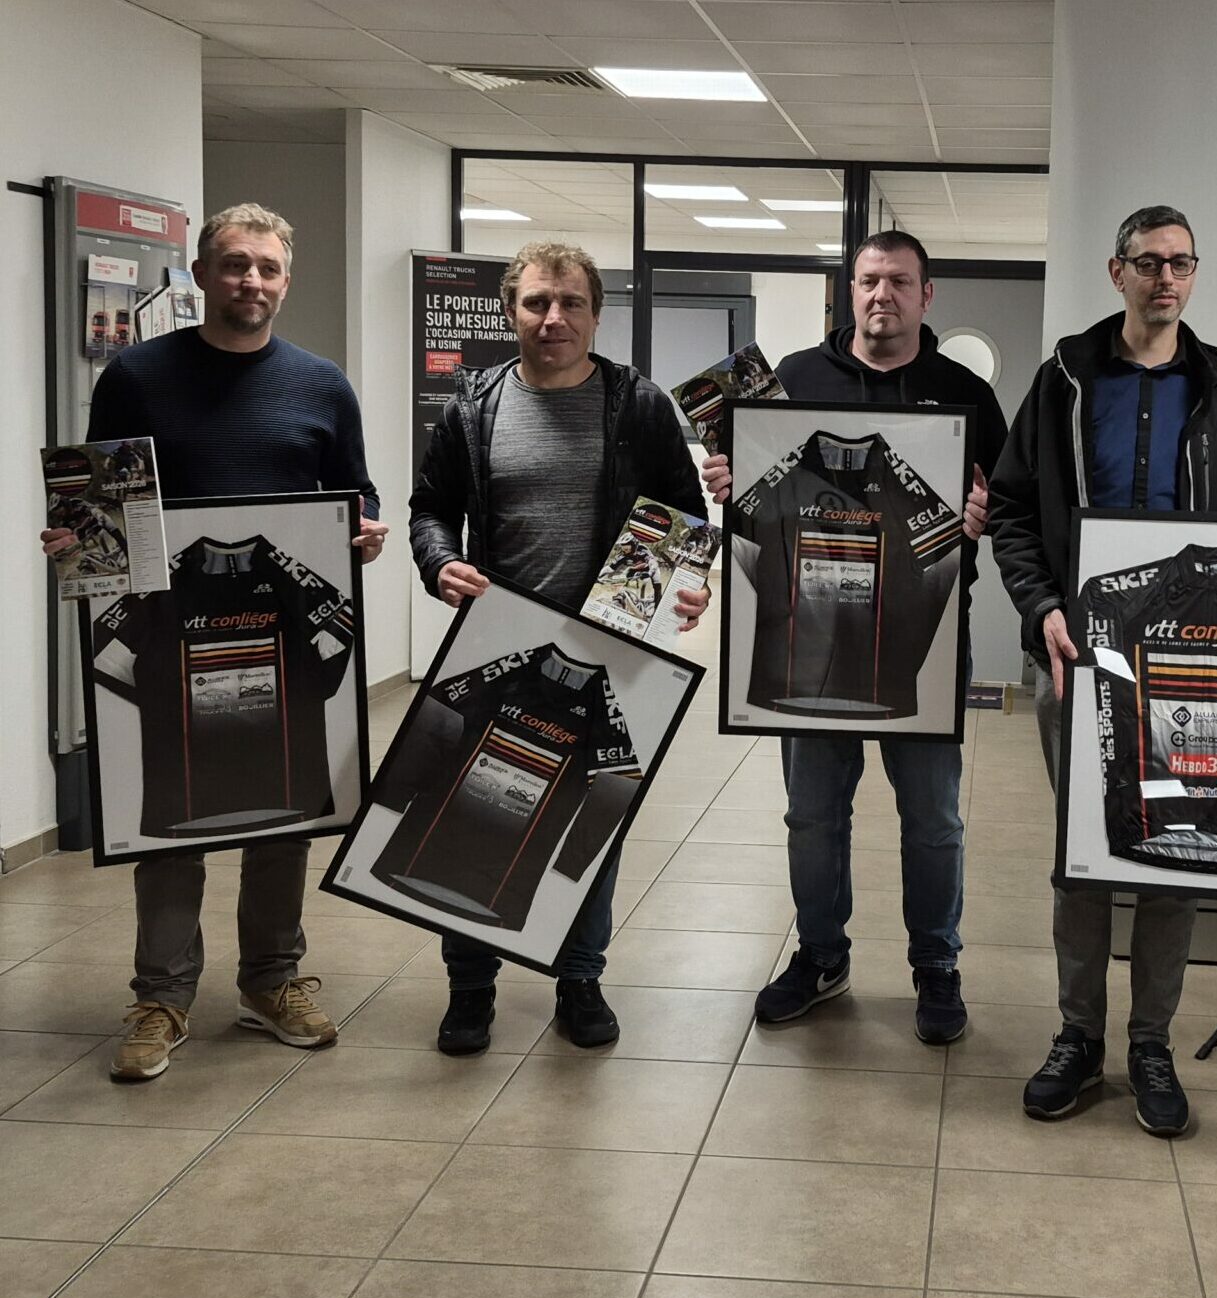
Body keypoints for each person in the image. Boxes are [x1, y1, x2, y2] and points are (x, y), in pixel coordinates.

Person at [39, 202, 387, 1081]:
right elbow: (101, 499)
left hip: (275, 638)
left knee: (281, 817)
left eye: (267, 267)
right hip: (170, 634)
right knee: (170, 828)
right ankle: (161, 997)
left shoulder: (322, 385)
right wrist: (79, 535)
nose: (251, 281)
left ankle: (271, 981)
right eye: (235, 264)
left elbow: (355, 493)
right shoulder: (136, 376)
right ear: (201, 274)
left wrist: (364, 532)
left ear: (286, 280)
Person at [698, 231, 1006, 1045]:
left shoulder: (965, 394)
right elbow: (754, 504)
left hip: (919, 655)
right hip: (803, 647)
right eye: (869, 280)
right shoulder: (792, 381)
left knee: (933, 819)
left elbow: (1002, 503)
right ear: (851, 290)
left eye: (899, 282)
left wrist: (982, 516)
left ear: (926, 295)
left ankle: (936, 964)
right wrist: (730, 483)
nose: (882, 296)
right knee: (812, 816)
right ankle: (821, 956)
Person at [989, 205, 1217, 1137]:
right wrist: (1041, 607)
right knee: (1084, 860)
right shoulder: (1064, 378)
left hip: (1191, 666)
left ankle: (1151, 1044)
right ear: (1117, 272)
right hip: (1078, 658)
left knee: (1176, 854)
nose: (1165, 278)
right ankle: (1078, 1035)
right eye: (1148, 263)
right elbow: (1013, 510)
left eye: (1181, 262)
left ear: (1194, 272)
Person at [410, 240, 710, 1055]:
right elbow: (430, 508)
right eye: (537, 302)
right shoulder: (473, 407)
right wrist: (439, 561)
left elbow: (686, 516)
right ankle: (470, 986)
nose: (554, 318)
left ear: (595, 314)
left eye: (571, 302)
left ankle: (579, 977)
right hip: (496, 646)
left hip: (613, 648)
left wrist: (689, 581)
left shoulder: (638, 406)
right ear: (510, 312)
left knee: (594, 818)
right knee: (474, 808)